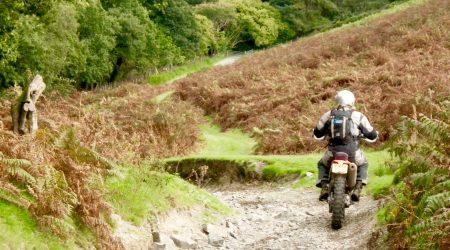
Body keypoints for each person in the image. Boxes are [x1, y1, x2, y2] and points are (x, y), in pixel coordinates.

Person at [313, 90, 378, 202]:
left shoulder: (329, 114)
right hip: (353, 153)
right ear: (352, 101)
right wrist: (372, 135)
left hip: (332, 153)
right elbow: (371, 134)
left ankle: (324, 188)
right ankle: (358, 188)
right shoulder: (358, 116)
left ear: (337, 101)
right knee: (363, 163)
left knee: (322, 164)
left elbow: (317, 132)